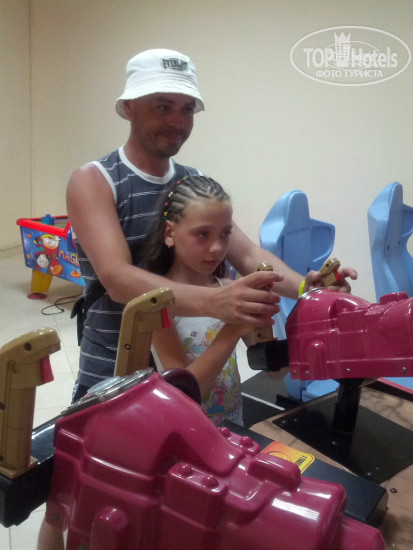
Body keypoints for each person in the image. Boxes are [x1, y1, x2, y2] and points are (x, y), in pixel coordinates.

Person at [37, 47, 356, 550]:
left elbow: (249, 256)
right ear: (128, 107)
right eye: (163, 106)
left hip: (185, 381)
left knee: (153, 506)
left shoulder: (190, 182)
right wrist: (219, 307)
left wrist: (308, 288)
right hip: (113, 372)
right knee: (70, 498)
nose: (177, 121)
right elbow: (118, 279)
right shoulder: (95, 180)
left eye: (187, 109)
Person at [145, 174, 270, 425]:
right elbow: (186, 393)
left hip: (233, 431)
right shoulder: (158, 305)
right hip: (188, 437)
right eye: (203, 234)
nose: (217, 247)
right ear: (169, 233)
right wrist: (232, 330)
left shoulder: (231, 290)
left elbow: (275, 370)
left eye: (225, 233)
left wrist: (309, 303)